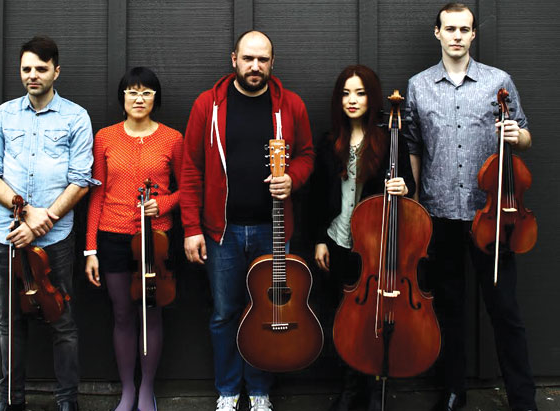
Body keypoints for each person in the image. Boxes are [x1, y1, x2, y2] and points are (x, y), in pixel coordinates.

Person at [403, 3, 537, 411]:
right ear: (438, 33)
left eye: (464, 29)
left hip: (492, 215)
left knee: (505, 311)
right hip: (440, 213)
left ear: (473, 34)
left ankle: (523, 399)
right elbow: (413, 146)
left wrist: (516, 136)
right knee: (448, 310)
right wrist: (414, 200)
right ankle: (453, 391)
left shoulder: (499, 81)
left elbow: (525, 136)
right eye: (450, 29)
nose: (457, 36)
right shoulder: (418, 86)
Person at [180, 30, 314, 411]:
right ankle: (227, 391)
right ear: (234, 59)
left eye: (263, 60)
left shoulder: (291, 105)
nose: (255, 66)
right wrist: (191, 229)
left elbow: (306, 155)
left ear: (273, 62)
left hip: (274, 231)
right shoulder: (208, 105)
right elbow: (190, 169)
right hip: (222, 233)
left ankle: (258, 391)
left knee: (269, 312)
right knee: (224, 313)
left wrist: (293, 179)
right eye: (248, 58)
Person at [0, 35, 95, 411]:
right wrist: (25, 210)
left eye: (41, 69)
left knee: (62, 321)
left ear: (56, 71)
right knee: (10, 323)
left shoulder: (76, 117)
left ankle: (67, 401)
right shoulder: (4, 115)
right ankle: (11, 401)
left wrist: (45, 220)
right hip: (9, 235)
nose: (32, 75)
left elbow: (81, 180)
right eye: (26, 68)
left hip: (56, 238)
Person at [310, 65, 415, 411]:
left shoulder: (389, 140)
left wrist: (402, 187)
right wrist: (319, 239)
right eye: (345, 94)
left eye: (360, 93)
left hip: (375, 246)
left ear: (372, 98)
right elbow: (317, 196)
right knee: (344, 320)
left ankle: (371, 389)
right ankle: (349, 387)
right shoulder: (329, 141)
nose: (352, 100)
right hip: (338, 240)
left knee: (374, 320)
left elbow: (409, 186)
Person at [84, 67, 183, 411]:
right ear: (122, 97)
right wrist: (90, 248)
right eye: (132, 92)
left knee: (151, 313)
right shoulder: (105, 137)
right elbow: (96, 194)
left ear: (156, 98)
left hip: (156, 239)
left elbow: (187, 188)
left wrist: (163, 203)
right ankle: (127, 389)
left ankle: (147, 390)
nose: (139, 99)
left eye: (146, 92)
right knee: (123, 314)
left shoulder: (173, 138)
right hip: (112, 235)